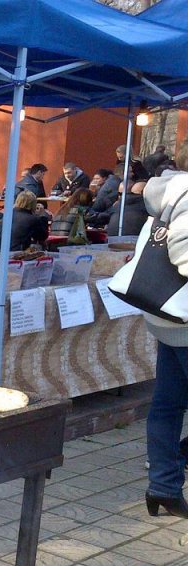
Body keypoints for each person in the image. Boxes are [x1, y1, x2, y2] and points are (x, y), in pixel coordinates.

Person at [143, 142, 188, 519]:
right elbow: (184, 253)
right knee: (167, 405)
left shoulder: (167, 191)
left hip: (167, 315)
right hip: (183, 316)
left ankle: (164, 487)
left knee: (167, 404)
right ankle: (167, 478)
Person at [106, 159, 150, 237]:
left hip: (112, 238)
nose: (133, 174)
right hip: (133, 239)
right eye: (130, 171)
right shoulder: (147, 206)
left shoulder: (117, 205)